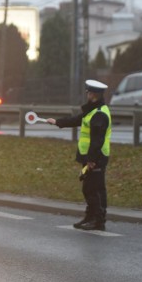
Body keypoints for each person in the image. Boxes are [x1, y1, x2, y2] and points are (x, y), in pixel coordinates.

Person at [47, 79, 112, 231]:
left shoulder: (99, 114)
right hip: (92, 156)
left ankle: (97, 221)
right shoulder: (92, 110)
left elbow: (97, 140)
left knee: (91, 189)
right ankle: (91, 218)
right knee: (94, 188)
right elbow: (77, 120)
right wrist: (57, 122)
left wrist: (91, 161)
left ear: (95, 94)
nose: (87, 94)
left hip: (96, 158)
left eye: (89, 92)